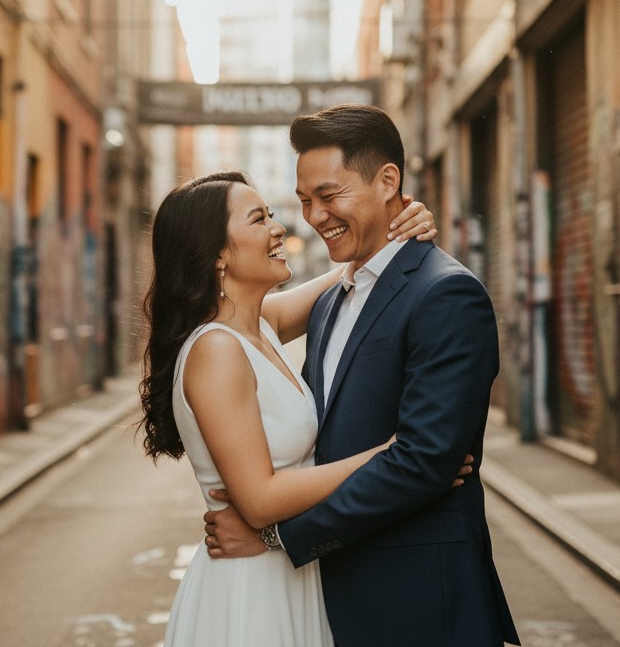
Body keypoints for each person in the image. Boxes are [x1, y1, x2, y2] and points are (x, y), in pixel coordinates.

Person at [205, 104, 520, 647]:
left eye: (329, 196)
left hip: (420, 607)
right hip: (328, 604)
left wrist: (278, 536)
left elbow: (424, 462)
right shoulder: (330, 301)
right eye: (304, 201)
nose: (313, 216)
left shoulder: (446, 294)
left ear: (387, 181)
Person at [138, 170, 455, 646]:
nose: (279, 227)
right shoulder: (217, 351)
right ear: (219, 254)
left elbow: (353, 275)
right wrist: (392, 455)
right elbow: (260, 499)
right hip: (249, 592)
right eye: (258, 219)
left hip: (289, 573)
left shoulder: (259, 325)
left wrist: (395, 231)